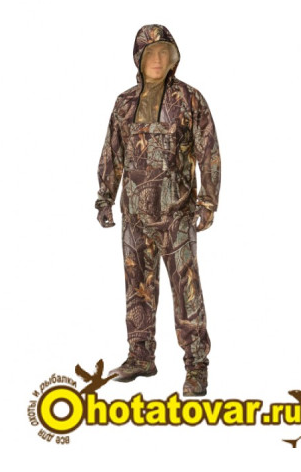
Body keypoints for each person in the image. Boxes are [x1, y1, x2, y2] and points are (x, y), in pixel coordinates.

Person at [95, 24, 221, 397]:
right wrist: (105, 196)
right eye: (150, 53)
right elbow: (113, 152)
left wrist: (208, 200)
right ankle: (140, 357)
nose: (158, 59)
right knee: (138, 289)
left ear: (173, 58)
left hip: (177, 215)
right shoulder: (124, 103)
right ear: (139, 58)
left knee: (187, 291)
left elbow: (209, 151)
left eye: (165, 52)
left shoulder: (190, 100)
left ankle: (196, 366)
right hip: (134, 215)